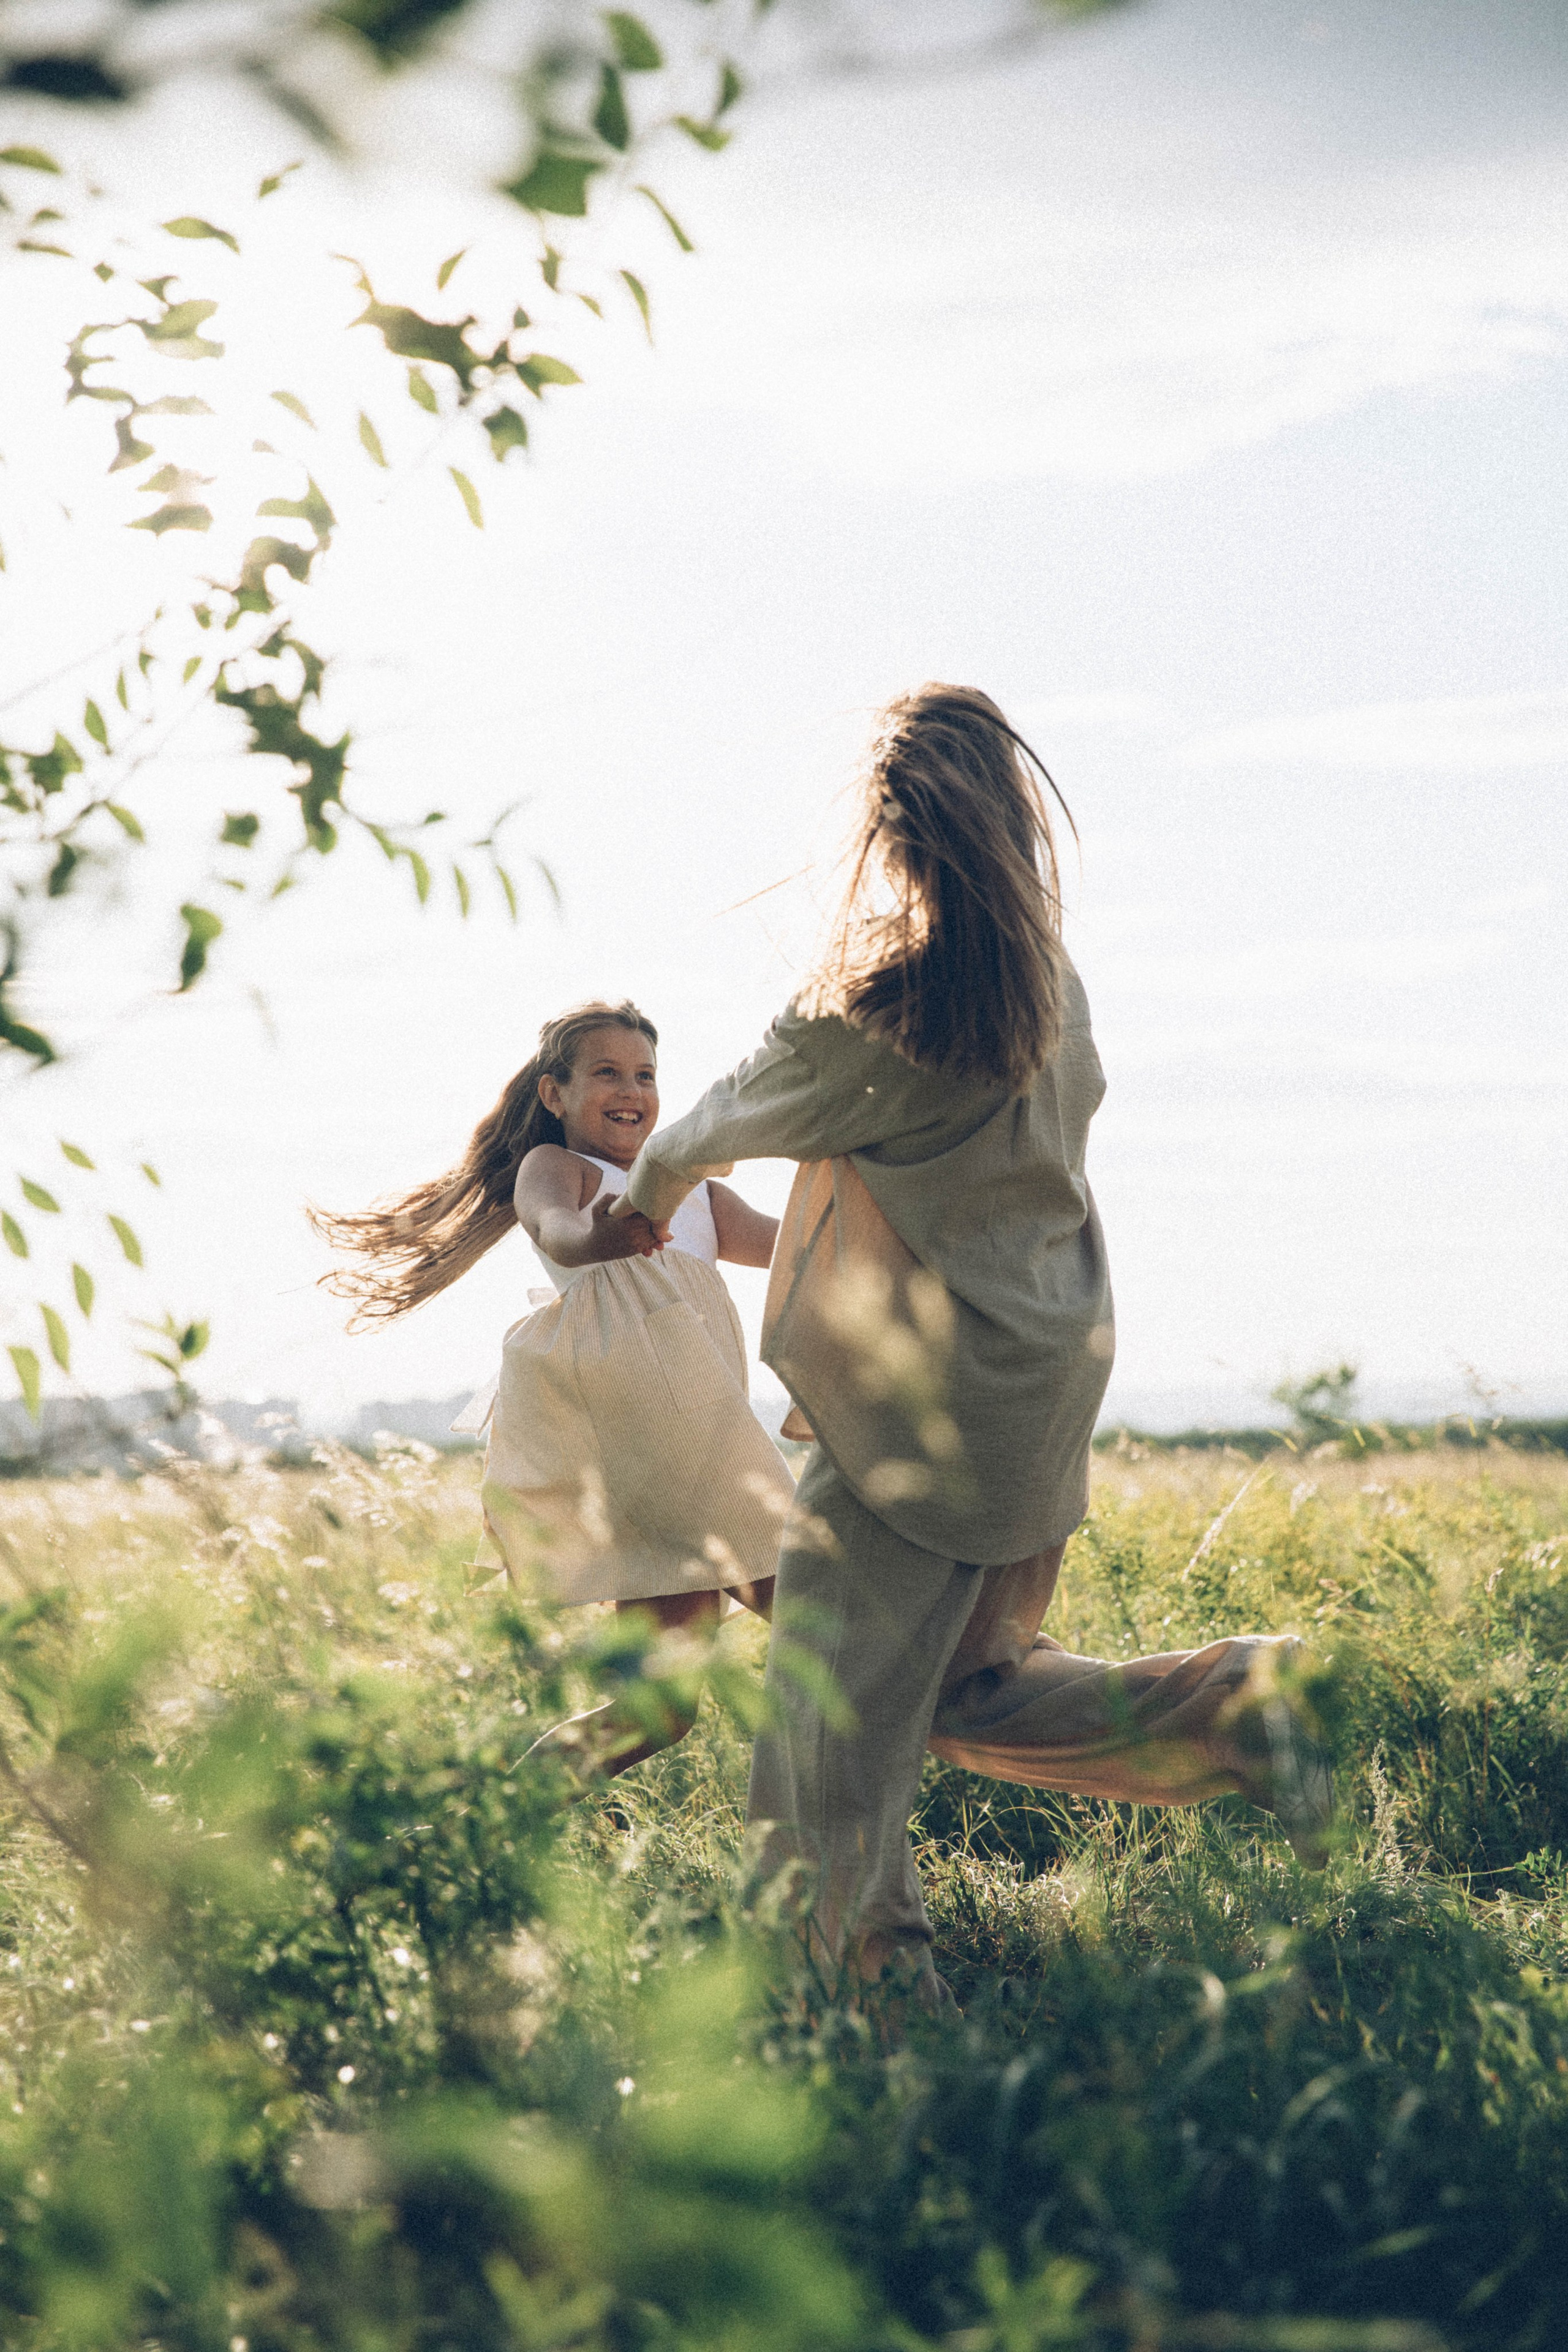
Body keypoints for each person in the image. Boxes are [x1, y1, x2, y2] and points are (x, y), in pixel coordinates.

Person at [612, 685, 1332, 1996]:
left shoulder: (871, 1006)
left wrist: (632, 1228)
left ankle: (872, 2006)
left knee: (820, 1740)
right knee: (963, 1692)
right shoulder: (1050, 990)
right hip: (1040, 1378)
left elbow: (683, 1139)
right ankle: (1234, 1703)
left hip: (910, 1411)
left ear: (887, 833)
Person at [311, 1000, 794, 1772]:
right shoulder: (562, 1171)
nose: (630, 1089)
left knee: (656, 1714)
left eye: (644, 1075)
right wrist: (601, 1234)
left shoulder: (695, 1190)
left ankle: (496, 1820)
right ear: (553, 1095)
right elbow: (554, 1230)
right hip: (661, 1435)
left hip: (699, 1432)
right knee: (818, 1614)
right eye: (605, 1073)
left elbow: (798, 1246)